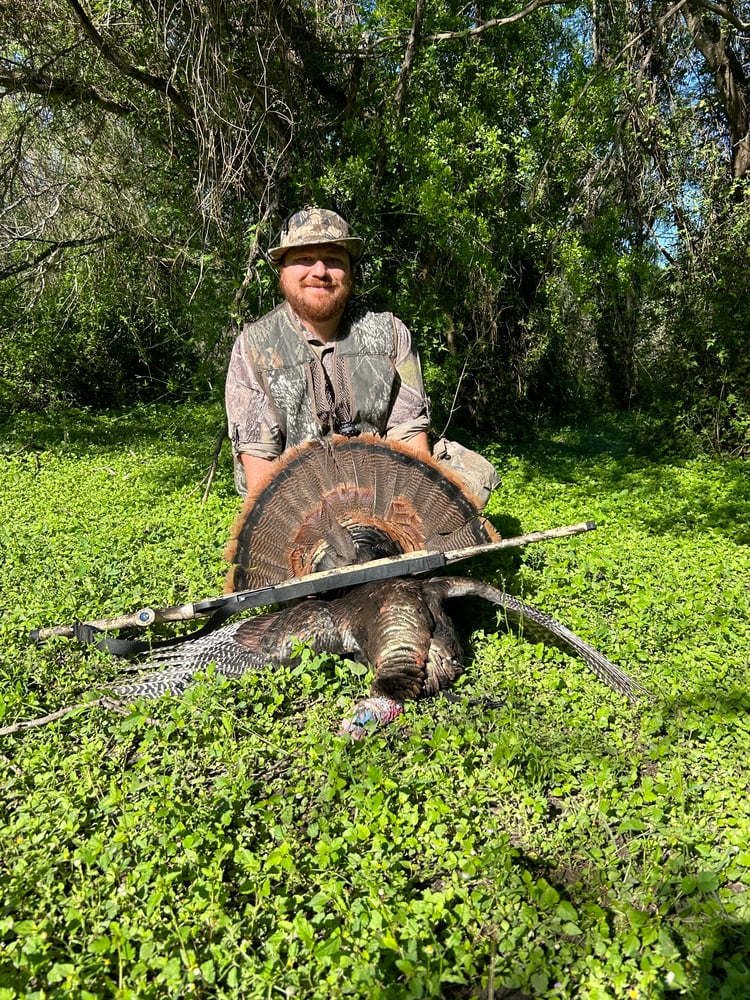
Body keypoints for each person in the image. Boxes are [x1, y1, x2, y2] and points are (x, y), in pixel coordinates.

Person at [225, 207, 499, 504]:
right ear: (282, 271)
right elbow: (260, 465)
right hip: (299, 509)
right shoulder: (253, 347)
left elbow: (409, 439)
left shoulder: (390, 334)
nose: (319, 271)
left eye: (332, 259)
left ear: (350, 272)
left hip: (381, 497)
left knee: (465, 488)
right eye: (303, 259)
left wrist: (401, 524)